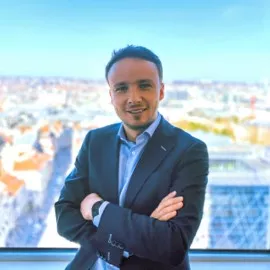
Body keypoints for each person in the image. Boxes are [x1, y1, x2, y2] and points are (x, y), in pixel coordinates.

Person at [55, 45, 209, 270]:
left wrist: (99, 209)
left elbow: (173, 244)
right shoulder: (95, 141)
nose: (133, 98)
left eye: (144, 86)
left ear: (161, 91)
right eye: (121, 88)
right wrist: (136, 235)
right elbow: (65, 216)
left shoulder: (189, 151)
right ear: (111, 95)